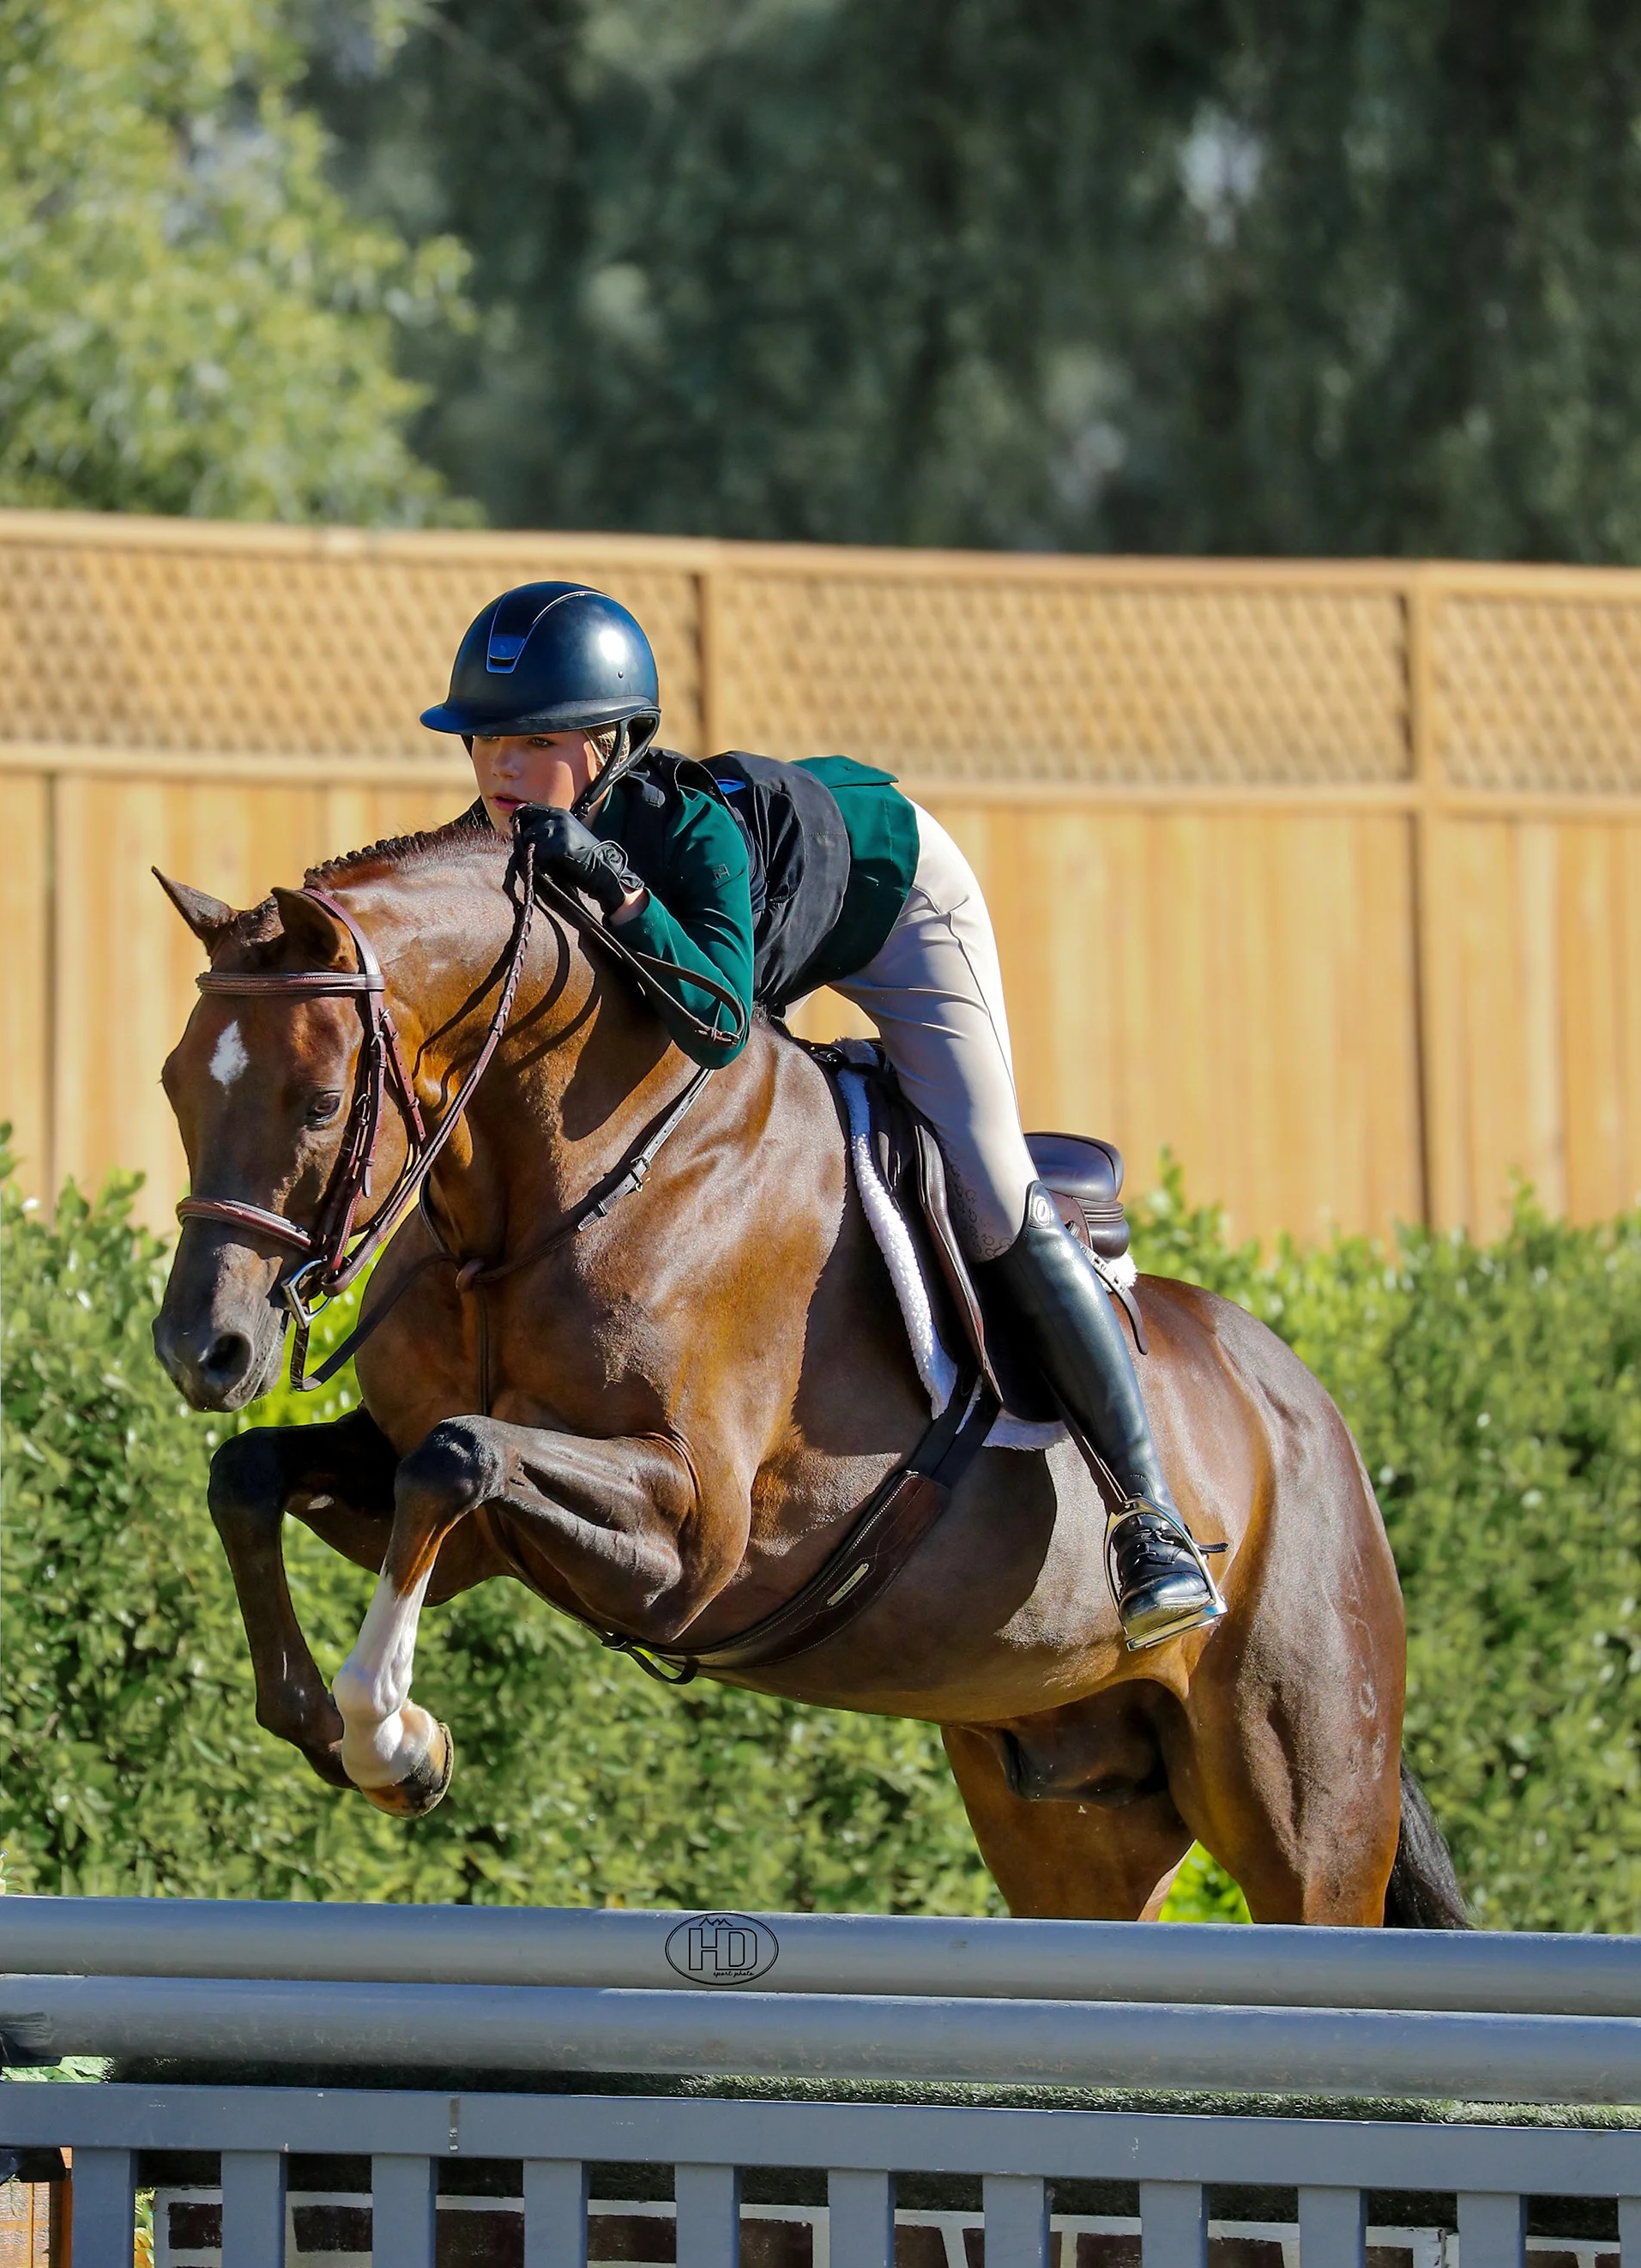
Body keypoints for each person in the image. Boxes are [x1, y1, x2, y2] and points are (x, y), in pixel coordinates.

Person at [421, 578, 1220, 1653]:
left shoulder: (687, 831)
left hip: (897, 901)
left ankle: (1148, 1519)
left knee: (983, 1187)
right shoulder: (500, 830)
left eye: (530, 741)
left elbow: (712, 1020)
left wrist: (615, 888)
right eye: (483, 744)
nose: (501, 770)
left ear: (610, 742)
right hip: (770, 920)